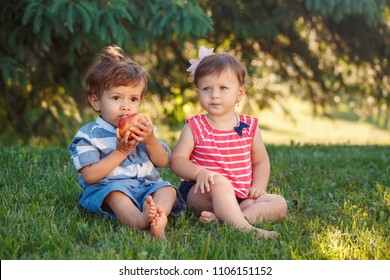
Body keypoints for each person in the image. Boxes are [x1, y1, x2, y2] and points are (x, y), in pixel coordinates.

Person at [68, 45, 185, 240]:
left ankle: (159, 217)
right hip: (109, 188)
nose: (126, 107)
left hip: (147, 187)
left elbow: (163, 162)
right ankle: (139, 222)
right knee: (116, 195)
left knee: (167, 189)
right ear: (96, 101)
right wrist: (121, 152)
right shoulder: (89, 135)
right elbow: (89, 176)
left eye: (133, 99)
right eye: (116, 98)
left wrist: (150, 140)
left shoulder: (144, 129)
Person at [170, 46, 287, 239]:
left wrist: (258, 186)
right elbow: (176, 160)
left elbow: (260, 161)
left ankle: (229, 218)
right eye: (206, 88)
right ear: (198, 90)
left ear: (240, 93)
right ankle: (245, 228)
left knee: (279, 203)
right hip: (202, 193)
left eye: (223, 88)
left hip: (241, 197)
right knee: (221, 183)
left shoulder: (249, 127)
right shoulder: (196, 126)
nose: (214, 95)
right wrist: (200, 172)